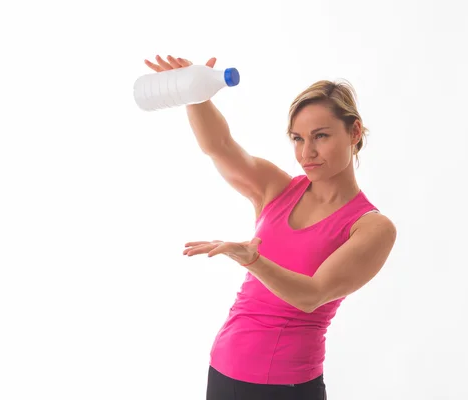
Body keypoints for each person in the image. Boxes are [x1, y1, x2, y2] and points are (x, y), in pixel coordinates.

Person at [144, 55, 397, 400]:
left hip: (287, 385)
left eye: (320, 136)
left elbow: (311, 295)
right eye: (297, 138)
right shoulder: (277, 189)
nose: (307, 152)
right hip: (222, 368)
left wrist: (253, 261)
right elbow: (219, 147)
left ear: (354, 131)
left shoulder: (371, 227)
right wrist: (195, 95)